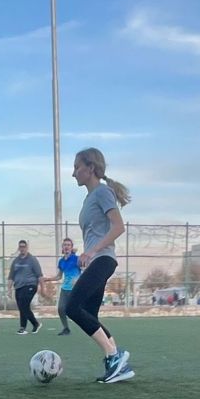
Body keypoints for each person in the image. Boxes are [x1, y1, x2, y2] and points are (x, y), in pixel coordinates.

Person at [66, 147, 134, 383]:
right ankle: (118, 363)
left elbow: (118, 227)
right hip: (96, 260)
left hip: (103, 259)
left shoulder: (103, 193)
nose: (73, 173)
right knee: (90, 315)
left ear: (90, 168)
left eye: (76, 167)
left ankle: (114, 356)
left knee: (72, 307)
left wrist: (92, 251)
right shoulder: (89, 198)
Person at [7, 240, 46, 335]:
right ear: (18, 248)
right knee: (22, 306)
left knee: (24, 305)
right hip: (18, 287)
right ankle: (23, 328)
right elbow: (11, 276)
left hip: (30, 285)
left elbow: (39, 275)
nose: (22, 248)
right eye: (20, 247)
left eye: (24, 246)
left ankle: (35, 323)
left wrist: (42, 288)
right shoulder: (16, 261)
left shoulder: (32, 260)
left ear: (27, 247)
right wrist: (9, 289)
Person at [51, 237, 80, 335]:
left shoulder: (77, 259)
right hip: (65, 289)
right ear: (62, 248)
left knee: (74, 310)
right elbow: (59, 276)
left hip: (75, 289)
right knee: (60, 309)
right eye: (65, 245)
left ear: (72, 248)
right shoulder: (61, 261)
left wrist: (78, 279)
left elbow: (85, 270)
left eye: (68, 245)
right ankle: (66, 328)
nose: (66, 247)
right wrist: (47, 279)